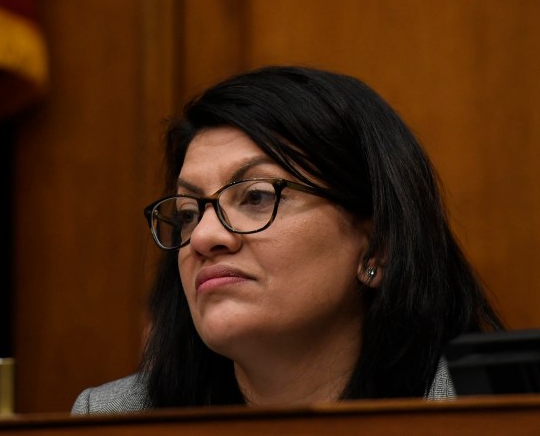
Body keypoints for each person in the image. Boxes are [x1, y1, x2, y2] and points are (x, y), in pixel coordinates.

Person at [71, 66, 502, 415]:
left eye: (256, 197)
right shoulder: (115, 416)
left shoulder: (494, 412)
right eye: (187, 213)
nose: (202, 237)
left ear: (378, 247)